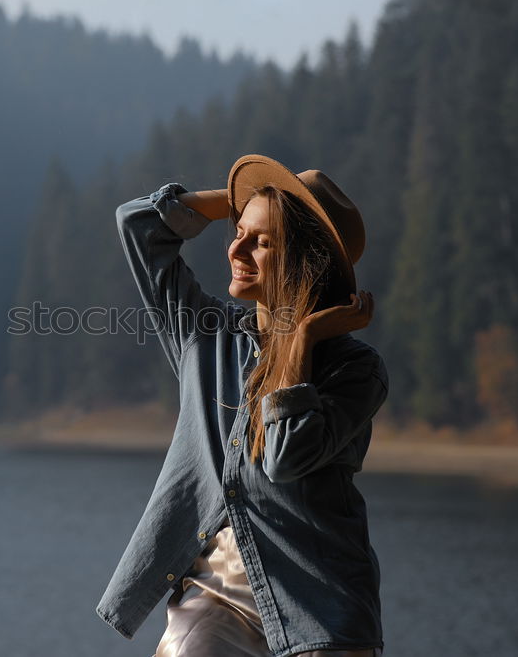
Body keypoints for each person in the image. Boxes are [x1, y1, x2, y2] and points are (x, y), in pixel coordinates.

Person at [95, 154, 389, 657]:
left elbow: (286, 457)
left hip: (322, 607)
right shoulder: (204, 336)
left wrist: (301, 340)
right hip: (213, 597)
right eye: (239, 231)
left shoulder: (354, 370)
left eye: (263, 241)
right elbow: (139, 223)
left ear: (305, 262)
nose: (236, 247)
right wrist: (242, 201)